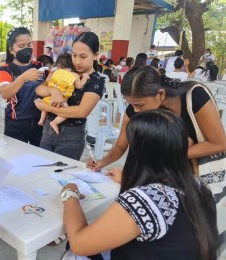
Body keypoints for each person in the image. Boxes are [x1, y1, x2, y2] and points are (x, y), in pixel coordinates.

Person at [63, 109, 218, 260]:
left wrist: (70, 194)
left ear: (141, 151)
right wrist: (128, 178)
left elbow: (79, 244)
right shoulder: (199, 185)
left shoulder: (145, 200)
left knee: (74, 250)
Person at [87, 66, 226, 194]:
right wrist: (102, 162)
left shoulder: (195, 96)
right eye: (131, 104)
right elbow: (120, 145)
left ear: (160, 94)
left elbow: (219, 143)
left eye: (139, 105)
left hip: (195, 176)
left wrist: (165, 153)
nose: (135, 110)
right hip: (162, 178)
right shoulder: (135, 107)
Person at [34, 32, 105, 160]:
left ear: (95, 55)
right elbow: (39, 89)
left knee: (62, 177)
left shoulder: (96, 80)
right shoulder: (65, 71)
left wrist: (48, 108)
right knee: (42, 172)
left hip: (70, 138)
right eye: (74, 55)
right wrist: (53, 90)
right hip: (47, 131)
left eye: (83, 57)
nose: (77, 61)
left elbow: (81, 111)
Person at [0, 27, 47, 146]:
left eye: (29, 44)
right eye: (21, 46)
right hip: (16, 123)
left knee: (40, 157)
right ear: (12, 50)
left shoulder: (40, 66)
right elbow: (5, 93)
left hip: (39, 121)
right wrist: (23, 78)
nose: (27, 49)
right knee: (16, 157)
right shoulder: (6, 69)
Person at [38, 53, 89, 134]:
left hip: (50, 98)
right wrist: (85, 78)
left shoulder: (55, 73)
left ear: (58, 65)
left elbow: (47, 82)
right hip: (62, 100)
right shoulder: (74, 75)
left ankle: (41, 119)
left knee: (45, 107)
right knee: (66, 112)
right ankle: (55, 122)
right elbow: (79, 86)